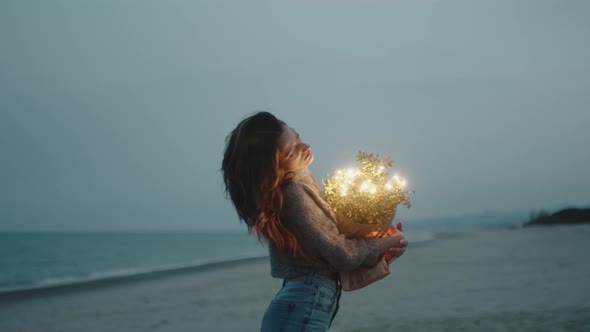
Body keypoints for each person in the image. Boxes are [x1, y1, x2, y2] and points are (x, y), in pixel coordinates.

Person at [221, 111, 408, 331]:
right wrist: (389, 240)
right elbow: (342, 255)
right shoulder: (292, 195)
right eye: (292, 152)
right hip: (303, 306)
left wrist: (380, 247)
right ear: (275, 168)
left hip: (302, 304)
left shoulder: (299, 185)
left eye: (297, 137)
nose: (305, 146)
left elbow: (327, 253)